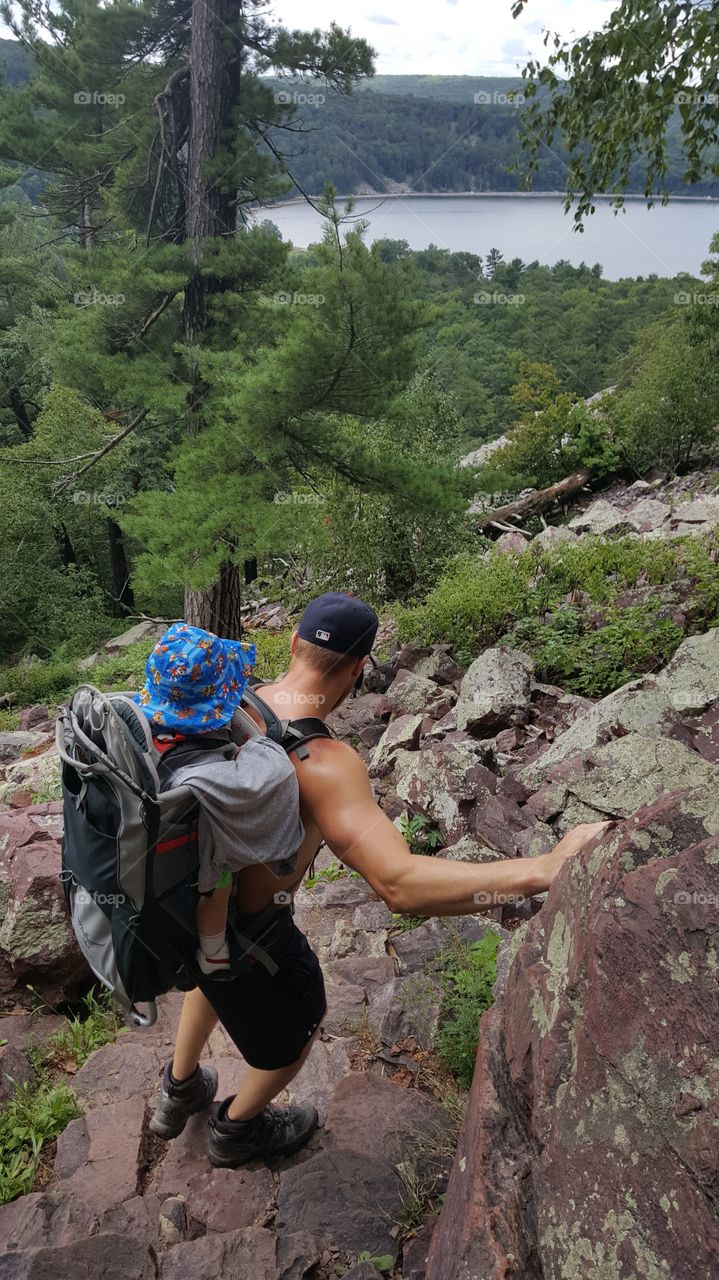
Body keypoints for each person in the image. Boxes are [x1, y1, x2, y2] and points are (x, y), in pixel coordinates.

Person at [149, 592, 609, 1166]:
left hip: (187, 913)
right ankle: (236, 1129)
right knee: (302, 1022)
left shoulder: (226, 703)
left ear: (292, 643)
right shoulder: (326, 761)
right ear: (359, 667)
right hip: (251, 936)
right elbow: (400, 884)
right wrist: (544, 868)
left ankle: (179, 1085)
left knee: (208, 976)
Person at [135, 622, 303, 976]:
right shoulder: (206, 772)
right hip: (195, 846)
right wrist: (254, 740)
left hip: (148, 816)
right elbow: (274, 773)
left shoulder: (138, 721)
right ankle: (213, 954)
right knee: (219, 880)